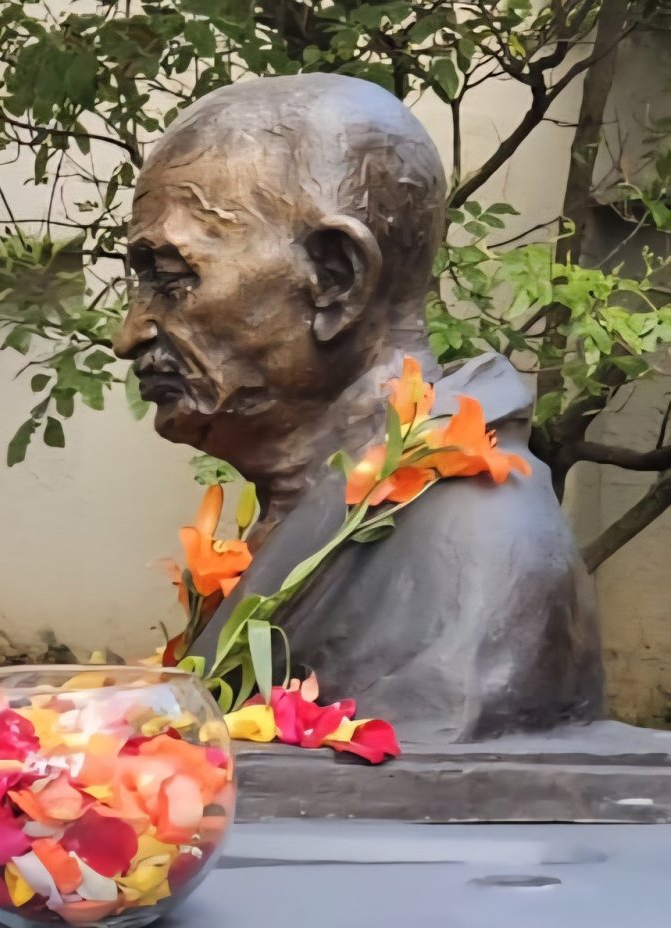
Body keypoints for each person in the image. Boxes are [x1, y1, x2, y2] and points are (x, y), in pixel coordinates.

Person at [113, 73, 603, 742]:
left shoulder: (481, 549)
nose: (129, 335)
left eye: (170, 279)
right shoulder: (309, 509)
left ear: (335, 279)